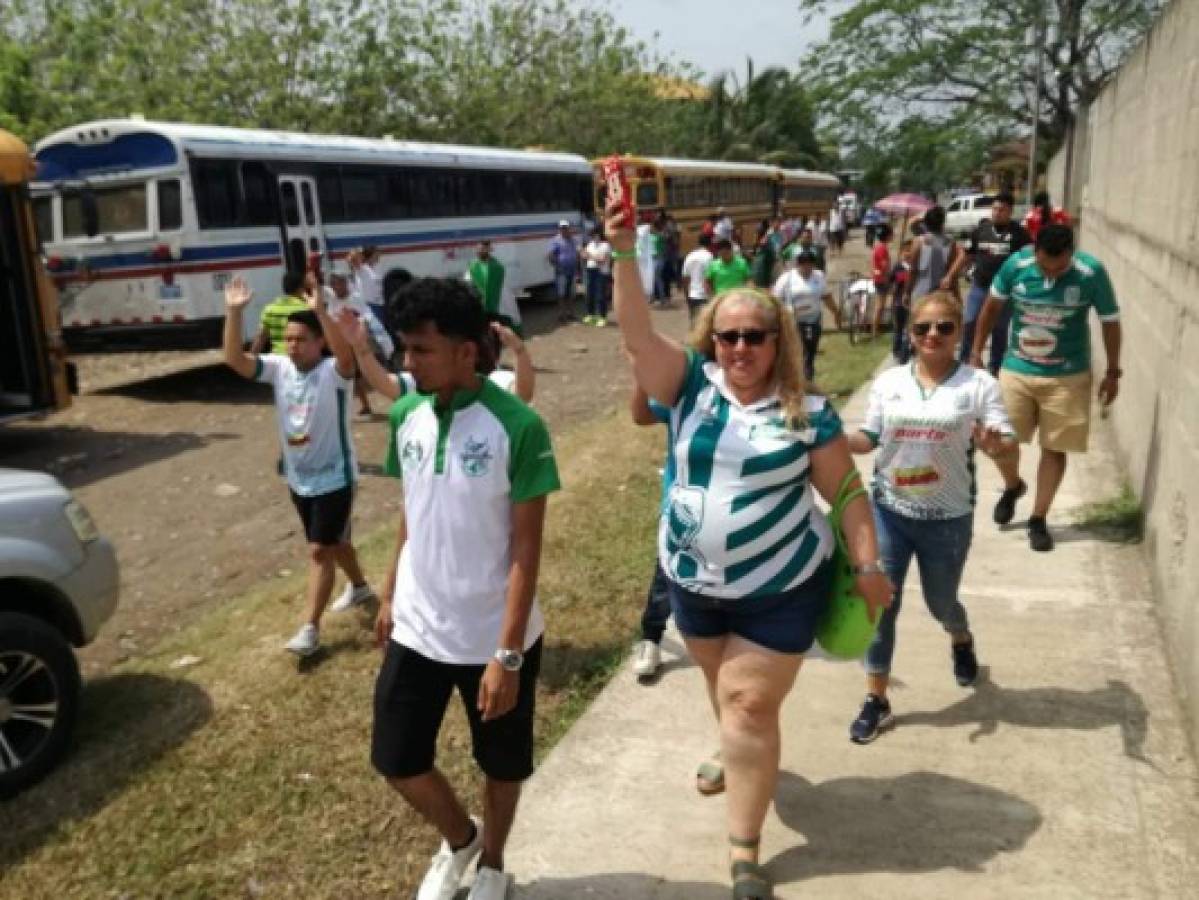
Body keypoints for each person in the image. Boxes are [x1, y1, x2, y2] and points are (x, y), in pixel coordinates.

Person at [606, 198, 891, 900]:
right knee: (722, 690)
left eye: (753, 337)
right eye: (727, 336)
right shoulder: (688, 387)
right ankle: (732, 750)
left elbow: (847, 495)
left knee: (750, 703)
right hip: (693, 583)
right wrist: (622, 250)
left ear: (777, 341)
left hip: (779, 591)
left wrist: (867, 564)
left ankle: (743, 854)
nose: (739, 349)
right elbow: (636, 335)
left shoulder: (808, 414)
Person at [371, 278, 560, 900]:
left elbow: (526, 550)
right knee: (396, 758)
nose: (408, 362)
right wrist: (390, 593)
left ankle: (494, 864)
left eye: (422, 350)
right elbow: (414, 507)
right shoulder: (406, 415)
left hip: (492, 636)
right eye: (405, 348)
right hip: (419, 627)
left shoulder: (519, 426)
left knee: (501, 764)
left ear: (466, 351)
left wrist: (507, 655)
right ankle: (461, 839)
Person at [845, 290, 1016, 743]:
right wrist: (834, 440)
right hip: (890, 512)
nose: (932, 335)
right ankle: (876, 698)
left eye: (944, 327)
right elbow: (868, 438)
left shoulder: (978, 385)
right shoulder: (890, 382)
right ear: (910, 332)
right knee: (881, 605)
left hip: (948, 518)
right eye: (923, 327)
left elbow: (1003, 440)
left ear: (959, 331)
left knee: (942, 602)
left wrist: (995, 445)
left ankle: (960, 637)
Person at [222, 276, 375, 657]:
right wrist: (234, 312)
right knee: (336, 541)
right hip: (299, 479)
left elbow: (346, 358)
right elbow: (234, 360)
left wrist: (321, 312)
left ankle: (310, 629)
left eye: (301, 339)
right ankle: (360, 588)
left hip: (335, 477)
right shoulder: (279, 368)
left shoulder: (334, 374)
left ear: (319, 342)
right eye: (288, 339)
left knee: (319, 551)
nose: (292, 345)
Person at [970, 223, 1122, 552]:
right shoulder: (1016, 265)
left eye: (1059, 268)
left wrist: (1112, 371)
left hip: (1068, 376)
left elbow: (1110, 321)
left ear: (1071, 254)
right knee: (999, 441)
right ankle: (1013, 485)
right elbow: (991, 308)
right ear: (1035, 251)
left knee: (1054, 448)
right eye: (1045, 267)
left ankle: (1038, 518)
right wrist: (975, 353)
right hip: (1017, 369)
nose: (1051, 273)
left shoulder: (1091, 273)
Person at [338, 309, 536, 405]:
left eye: (422, 350)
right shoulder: (427, 385)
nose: (408, 363)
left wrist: (519, 351)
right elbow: (384, 383)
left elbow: (522, 395)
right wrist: (360, 348)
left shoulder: (496, 381)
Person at [942, 192, 1030, 374]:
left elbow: (1028, 260)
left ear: (1010, 211)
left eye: (1002, 210)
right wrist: (950, 275)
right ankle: (966, 360)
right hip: (980, 286)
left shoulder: (1020, 234)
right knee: (970, 321)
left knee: (999, 328)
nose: (997, 213)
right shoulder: (981, 230)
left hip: (1005, 292)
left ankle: (995, 366)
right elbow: (966, 255)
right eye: (995, 209)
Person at [628, 381, 674, 680]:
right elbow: (642, 415)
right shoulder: (691, 383)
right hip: (683, 512)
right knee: (665, 577)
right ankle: (651, 638)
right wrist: (640, 373)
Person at [326, 261, 395, 417]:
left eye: (339, 283)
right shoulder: (333, 301)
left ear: (345, 283)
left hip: (362, 340)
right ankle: (365, 405)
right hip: (345, 342)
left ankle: (394, 395)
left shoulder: (355, 298)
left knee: (376, 371)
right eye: (333, 284)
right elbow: (331, 318)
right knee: (355, 376)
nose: (336, 287)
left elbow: (366, 316)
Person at [771, 248, 840, 382]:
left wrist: (836, 312)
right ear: (798, 264)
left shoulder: (818, 276)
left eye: (810, 263)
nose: (807, 267)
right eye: (803, 264)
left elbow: (826, 296)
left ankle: (808, 379)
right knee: (800, 352)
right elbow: (775, 300)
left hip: (814, 319)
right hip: (794, 321)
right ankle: (799, 380)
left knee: (811, 351)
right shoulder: (787, 279)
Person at [252, 270, 310, 355]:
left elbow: (261, 337)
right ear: (301, 288)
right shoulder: (306, 309)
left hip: (277, 357)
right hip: (299, 356)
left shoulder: (270, 309)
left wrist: (252, 356)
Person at [547, 220, 580, 323]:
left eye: (566, 227)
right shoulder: (555, 240)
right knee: (561, 294)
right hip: (561, 271)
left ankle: (571, 313)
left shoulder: (573, 240)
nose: (564, 229)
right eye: (562, 228)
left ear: (569, 228)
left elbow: (578, 252)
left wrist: (578, 266)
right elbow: (550, 255)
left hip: (572, 269)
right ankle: (562, 314)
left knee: (571, 293)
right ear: (559, 229)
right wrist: (556, 265)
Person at [582, 227, 613, 326]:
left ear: (599, 235)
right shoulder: (590, 244)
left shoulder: (606, 245)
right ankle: (591, 315)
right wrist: (588, 255)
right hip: (590, 270)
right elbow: (583, 255)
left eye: (594, 235)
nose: (593, 238)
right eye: (591, 236)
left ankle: (602, 317)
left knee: (600, 295)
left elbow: (602, 260)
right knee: (590, 294)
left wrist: (589, 256)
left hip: (601, 272)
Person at [349, 245, 387, 325]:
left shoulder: (376, 268)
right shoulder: (361, 269)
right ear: (370, 255)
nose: (378, 256)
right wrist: (359, 251)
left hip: (380, 304)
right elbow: (351, 258)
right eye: (376, 254)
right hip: (368, 305)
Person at [468, 240, 506, 318]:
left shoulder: (497, 267)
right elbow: (469, 282)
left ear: (489, 250)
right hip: (478, 306)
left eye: (482, 249)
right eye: (478, 249)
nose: (479, 252)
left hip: (492, 307)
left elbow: (496, 288)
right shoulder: (473, 265)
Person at [681, 233, 715, 321]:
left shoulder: (690, 256)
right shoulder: (709, 257)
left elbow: (685, 278)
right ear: (710, 243)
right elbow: (711, 278)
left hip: (693, 295)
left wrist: (687, 296)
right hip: (705, 296)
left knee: (694, 322)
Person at [869, 223, 894, 340]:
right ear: (887, 235)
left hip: (879, 278)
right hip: (881, 279)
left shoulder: (878, 246)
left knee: (880, 305)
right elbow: (885, 266)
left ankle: (876, 329)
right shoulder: (882, 248)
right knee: (880, 306)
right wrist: (890, 276)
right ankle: (875, 330)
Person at [750, 219, 777, 289]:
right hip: (758, 279)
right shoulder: (759, 247)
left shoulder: (767, 243)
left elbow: (772, 260)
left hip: (764, 280)